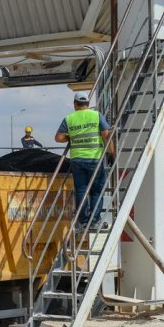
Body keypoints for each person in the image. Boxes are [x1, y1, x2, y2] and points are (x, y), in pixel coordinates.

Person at [55, 91, 114, 230]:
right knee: (96, 191)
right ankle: (95, 220)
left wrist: (70, 138)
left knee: (80, 190)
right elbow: (106, 135)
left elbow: (58, 138)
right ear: (88, 104)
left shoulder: (69, 118)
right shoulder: (96, 115)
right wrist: (111, 152)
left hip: (76, 159)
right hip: (94, 159)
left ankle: (82, 221)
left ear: (75, 104)